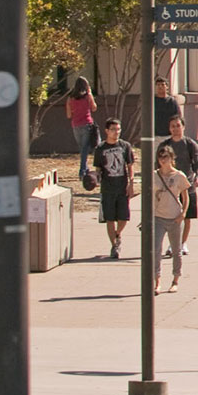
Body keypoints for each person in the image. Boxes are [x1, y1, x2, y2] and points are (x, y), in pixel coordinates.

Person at [147, 142, 189, 292]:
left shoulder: (179, 176)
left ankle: (175, 280)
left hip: (175, 218)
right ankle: (157, 281)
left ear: (172, 158)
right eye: (160, 157)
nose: (162, 160)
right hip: (158, 217)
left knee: (176, 251)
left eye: (165, 157)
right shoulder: (154, 175)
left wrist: (183, 214)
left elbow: (185, 196)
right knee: (156, 249)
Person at [91, 118, 133, 259]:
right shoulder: (100, 149)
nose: (116, 132)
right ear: (107, 131)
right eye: (114, 130)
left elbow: (130, 165)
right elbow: (97, 168)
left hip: (122, 186)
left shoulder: (125, 146)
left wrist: (131, 183)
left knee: (124, 217)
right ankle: (114, 246)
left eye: (118, 129)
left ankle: (118, 234)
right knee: (110, 219)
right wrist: (94, 179)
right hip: (108, 187)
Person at [161, 113, 198, 249]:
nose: (175, 129)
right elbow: (158, 165)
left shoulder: (190, 144)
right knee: (170, 217)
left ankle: (182, 243)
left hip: (187, 185)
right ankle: (172, 244)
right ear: (169, 128)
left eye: (178, 126)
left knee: (186, 216)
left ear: (183, 127)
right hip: (169, 187)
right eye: (172, 126)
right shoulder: (165, 145)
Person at [66, 76, 99, 189]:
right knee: (86, 148)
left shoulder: (70, 98)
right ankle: (82, 171)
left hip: (76, 125)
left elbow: (69, 115)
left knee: (82, 148)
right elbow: (94, 108)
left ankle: (84, 168)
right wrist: (90, 95)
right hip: (87, 123)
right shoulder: (87, 96)